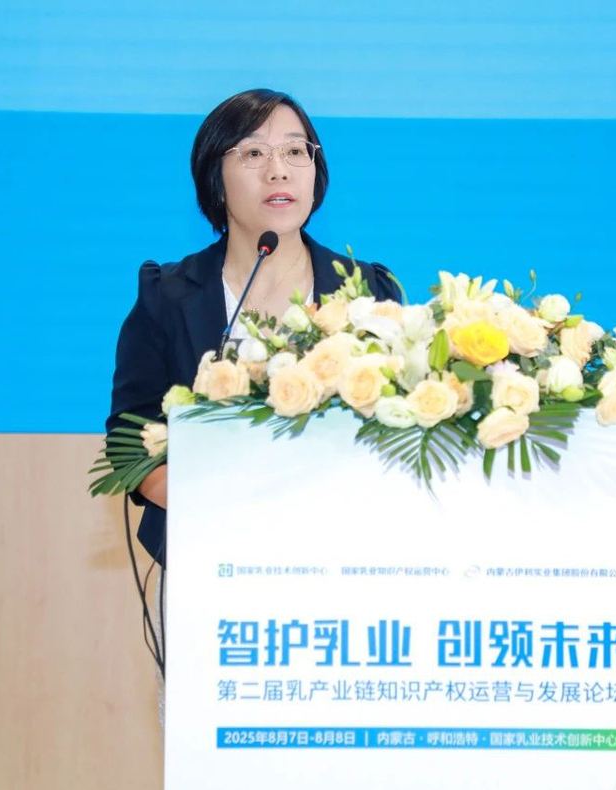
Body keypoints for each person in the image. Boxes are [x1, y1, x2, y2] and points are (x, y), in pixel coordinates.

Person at [105, 88, 403, 728]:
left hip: (348, 574)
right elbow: (131, 440)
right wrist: (220, 503)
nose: (279, 171)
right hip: (213, 573)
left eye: (296, 152)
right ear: (215, 177)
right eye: (253, 153)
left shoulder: (367, 291)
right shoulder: (168, 296)